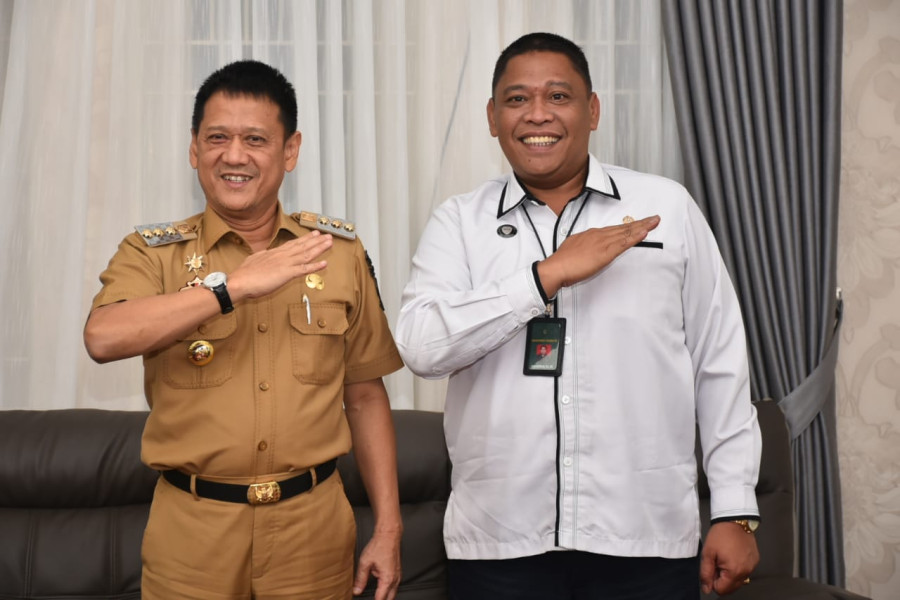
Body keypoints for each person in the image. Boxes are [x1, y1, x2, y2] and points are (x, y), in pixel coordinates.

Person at [395, 33, 761, 599]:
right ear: (492, 118)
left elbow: (720, 360)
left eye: (558, 96)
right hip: (500, 541)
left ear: (592, 111)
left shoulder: (665, 209)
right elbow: (421, 346)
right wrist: (544, 277)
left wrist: (735, 510)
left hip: (644, 534)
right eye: (517, 99)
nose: (537, 114)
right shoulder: (459, 223)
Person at [84, 60, 403, 600]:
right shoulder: (152, 253)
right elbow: (103, 337)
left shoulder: (337, 253)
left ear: (290, 151)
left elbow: (366, 396)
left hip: (313, 533)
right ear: (194, 149)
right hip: (192, 536)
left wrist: (390, 529)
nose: (234, 156)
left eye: (255, 139)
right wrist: (228, 289)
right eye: (217, 138)